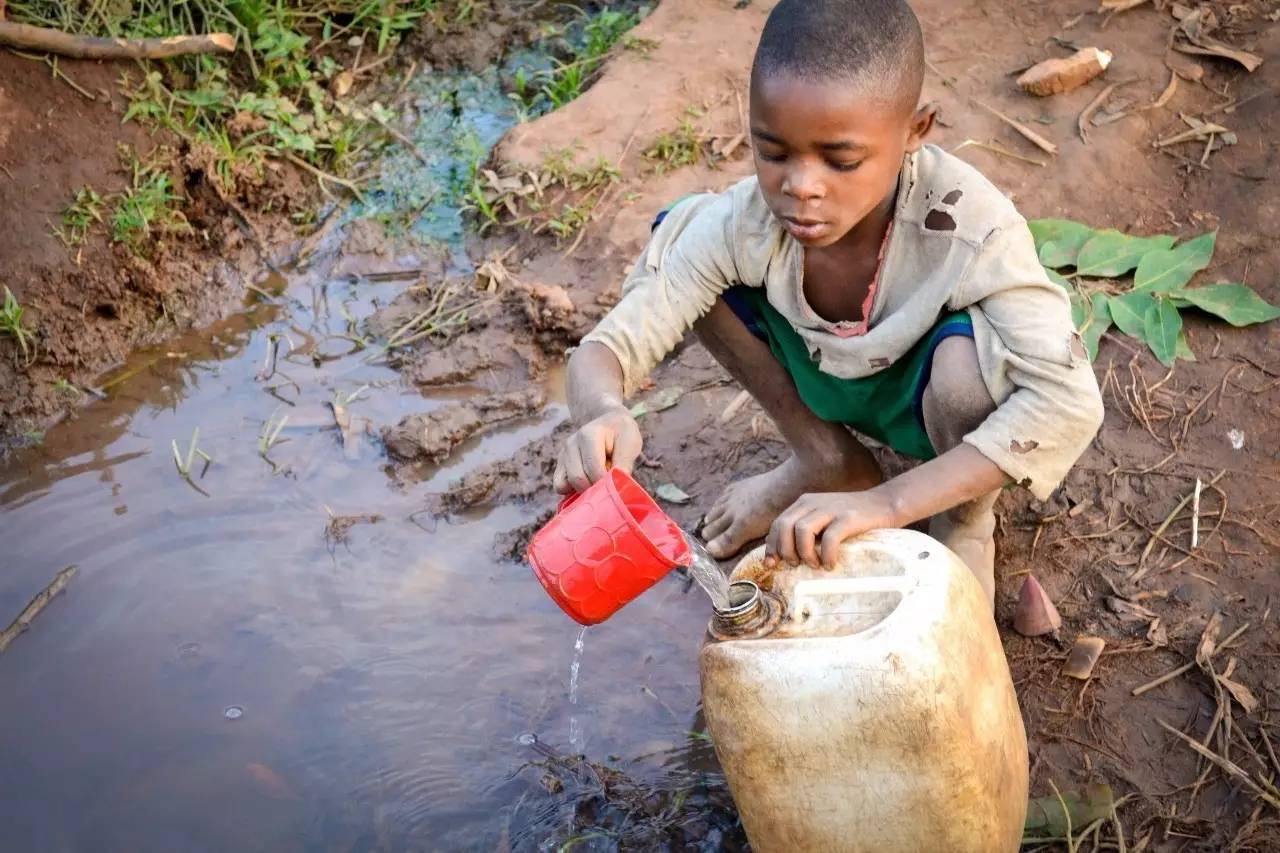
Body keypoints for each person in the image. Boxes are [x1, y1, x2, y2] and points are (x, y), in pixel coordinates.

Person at [552, 0, 1104, 607]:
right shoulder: (747, 222)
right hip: (823, 379)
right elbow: (610, 344)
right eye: (774, 153)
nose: (801, 187)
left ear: (914, 132)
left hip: (924, 400)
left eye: (841, 161)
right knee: (681, 234)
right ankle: (825, 459)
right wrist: (601, 409)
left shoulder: (971, 231)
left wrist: (888, 504)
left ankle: (964, 521)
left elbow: (1066, 401)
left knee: (973, 372)